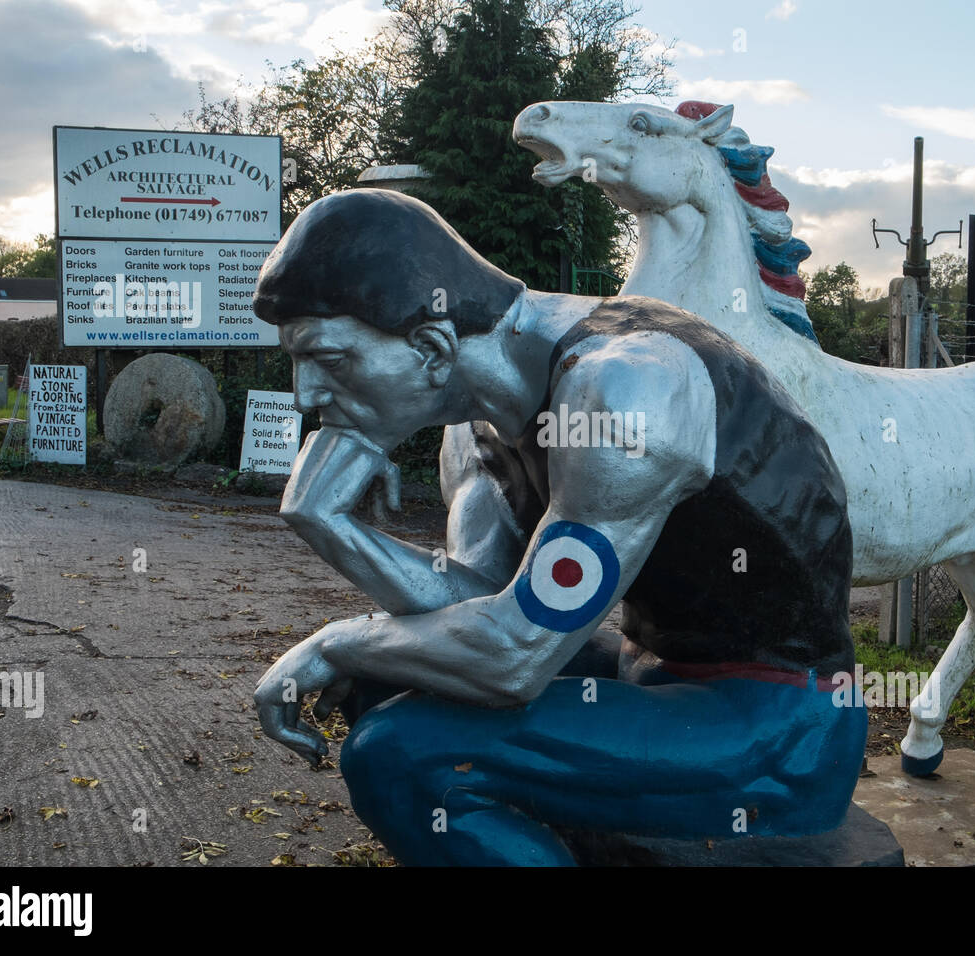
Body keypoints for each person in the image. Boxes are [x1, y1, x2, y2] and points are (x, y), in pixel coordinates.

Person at [251, 188, 866, 866]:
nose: (306, 395)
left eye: (328, 360)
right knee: (390, 681)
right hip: (653, 678)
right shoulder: (475, 430)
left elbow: (512, 660)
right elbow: (479, 610)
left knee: (396, 755)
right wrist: (328, 524)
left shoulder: (624, 391)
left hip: (781, 724)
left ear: (431, 345)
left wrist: (343, 642)